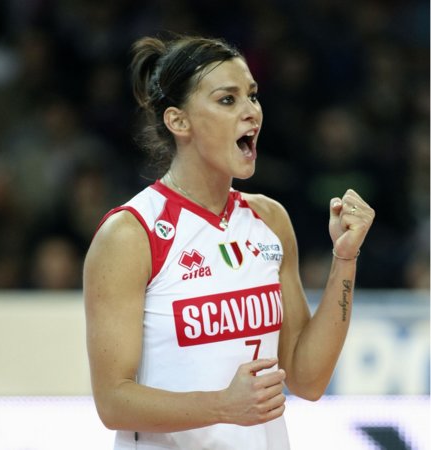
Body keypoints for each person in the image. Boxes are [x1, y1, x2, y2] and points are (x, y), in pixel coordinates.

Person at [83, 34, 375, 450]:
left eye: (252, 96)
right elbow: (113, 402)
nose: (251, 112)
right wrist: (222, 406)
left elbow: (308, 380)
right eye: (227, 100)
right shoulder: (131, 233)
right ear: (178, 122)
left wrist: (344, 259)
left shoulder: (270, 220)